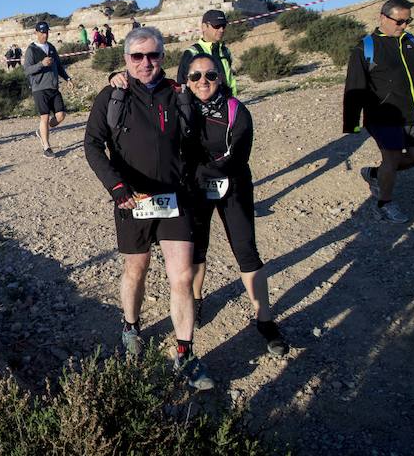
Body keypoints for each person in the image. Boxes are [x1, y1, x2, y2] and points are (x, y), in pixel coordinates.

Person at [84, 26, 213, 390]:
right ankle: (130, 327)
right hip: (133, 200)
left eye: (153, 55)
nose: (146, 62)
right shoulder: (112, 96)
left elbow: (206, 129)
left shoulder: (179, 94)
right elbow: (93, 145)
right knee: (135, 270)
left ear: (163, 56)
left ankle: (185, 355)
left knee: (183, 276)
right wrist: (117, 186)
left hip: (176, 198)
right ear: (125, 59)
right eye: (137, 56)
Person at [185, 55, 288, 355]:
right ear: (186, 80)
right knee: (197, 250)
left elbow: (238, 154)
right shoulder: (180, 107)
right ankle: (197, 300)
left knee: (246, 251)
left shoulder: (235, 110)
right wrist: (116, 74)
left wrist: (201, 171)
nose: (203, 81)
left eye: (210, 75)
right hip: (196, 190)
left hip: (233, 186)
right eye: (195, 76)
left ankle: (265, 320)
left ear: (220, 78)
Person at [344, 0, 414, 223]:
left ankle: (376, 175)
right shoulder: (365, 48)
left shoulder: (411, 42)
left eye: (408, 21)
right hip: (383, 116)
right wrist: (352, 122)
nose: (404, 26)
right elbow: (354, 88)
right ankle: (384, 202)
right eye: (399, 22)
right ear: (382, 17)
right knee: (392, 156)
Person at [23, 21, 74, 158]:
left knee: (61, 116)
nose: (45, 35)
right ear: (36, 33)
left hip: (53, 87)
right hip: (39, 88)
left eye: (46, 32)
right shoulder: (31, 50)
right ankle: (47, 147)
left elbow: (58, 65)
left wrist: (67, 78)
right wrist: (41, 64)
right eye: (42, 32)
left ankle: (41, 131)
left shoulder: (51, 47)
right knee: (44, 117)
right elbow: (27, 70)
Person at [176, 9, 238, 95]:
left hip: (227, 104)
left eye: (223, 26)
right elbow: (182, 84)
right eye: (217, 26)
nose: (221, 30)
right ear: (204, 27)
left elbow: (230, 80)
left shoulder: (225, 51)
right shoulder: (192, 53)